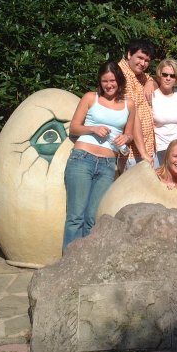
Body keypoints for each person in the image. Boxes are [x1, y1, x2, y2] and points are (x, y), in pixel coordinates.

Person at [63, 61, 135, 251]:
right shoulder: (90, 98)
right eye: (105, 81)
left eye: (112, 80)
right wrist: (92, 129)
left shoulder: (129, 104)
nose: (109, 85)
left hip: (107, 164)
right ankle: (68, 263)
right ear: (100, 82)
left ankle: (85, 262)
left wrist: (126, 138)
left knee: (92, 218)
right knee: (75, 217)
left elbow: (130, 134)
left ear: (119, 80)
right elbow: (74, 128)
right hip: (82, 159)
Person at [118, 39, 157, 170]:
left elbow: (155, 81)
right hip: (131, 153)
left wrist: (150, 82)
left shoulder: (139, 75)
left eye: (147, 60)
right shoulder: (120, 75)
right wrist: (143, 152)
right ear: (129, 54)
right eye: (140, 58)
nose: (143, 63)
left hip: (146, 149)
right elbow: (132, 116)